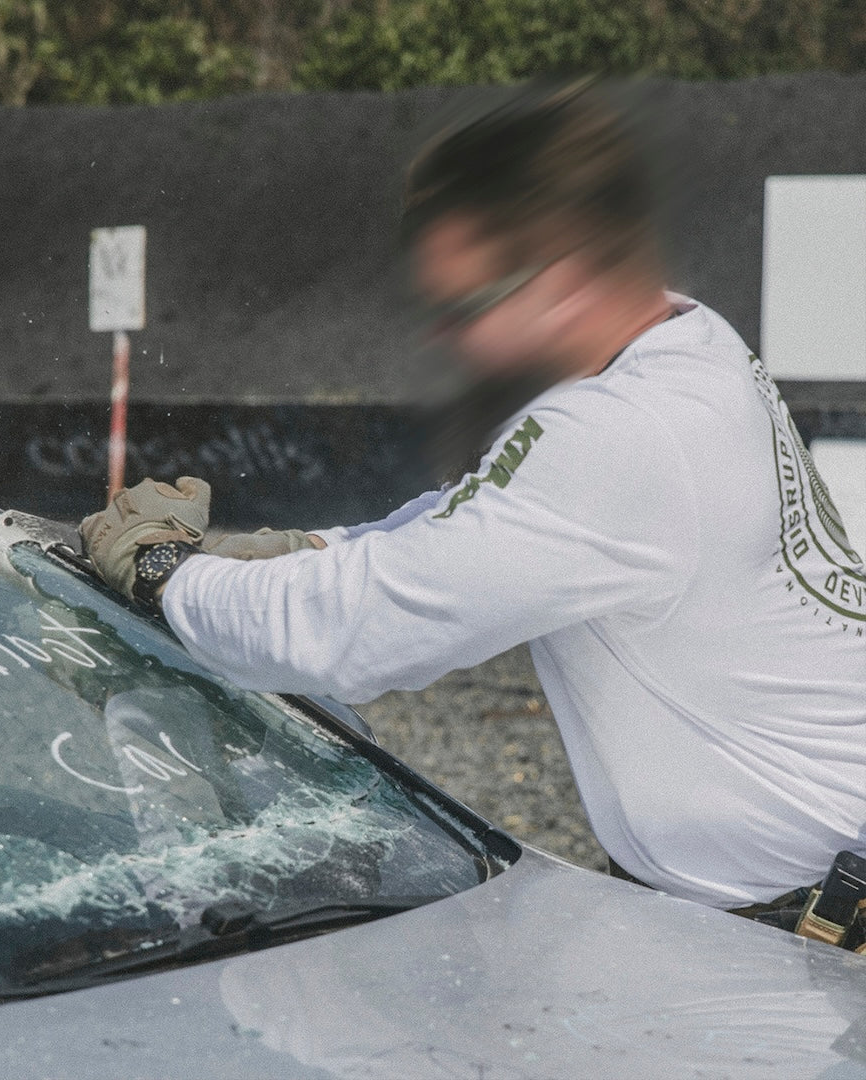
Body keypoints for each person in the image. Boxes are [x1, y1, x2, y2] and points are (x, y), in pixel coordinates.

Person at [80, 79, 866, 918]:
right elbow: (483, 516)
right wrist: (302, 551)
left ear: (563, 280)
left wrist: (166, 574)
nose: (441, 335)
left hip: (815, 955)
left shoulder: (619, 435)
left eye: (464, 306)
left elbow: (355, 632)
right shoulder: (687, 344)